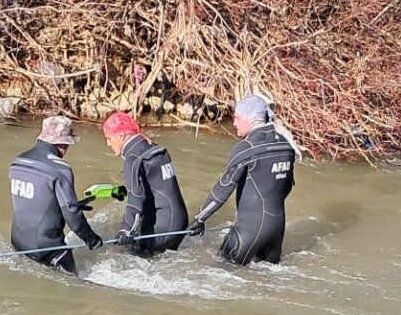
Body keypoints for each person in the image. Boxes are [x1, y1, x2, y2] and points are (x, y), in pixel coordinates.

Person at [187, 95, 297, 265]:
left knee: (220, 272)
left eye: (237, 118)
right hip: (277, 229)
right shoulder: (285, 146)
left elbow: (222, 189)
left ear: (251, 119)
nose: (234, 123)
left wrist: (199, 218)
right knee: (267, 278)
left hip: (249, 230)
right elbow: (286, 187)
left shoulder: (246, 148)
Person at [9, 116, 103, 274]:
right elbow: (73, 216)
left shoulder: (17, 161)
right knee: (75, 286)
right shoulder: (60, 169)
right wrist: (92, 240)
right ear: (64, 144)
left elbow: (35, 201)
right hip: (48, 247)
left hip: (18, 241)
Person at [102, 112, 190, 257]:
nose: (108, 143)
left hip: (160, 225)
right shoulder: (153, 147)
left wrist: (126, 230)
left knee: (129, 259)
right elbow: (155, 184)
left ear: (121, 136)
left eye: (109, 138)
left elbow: (136, 198)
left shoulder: (132, 158)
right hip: (179, 220)